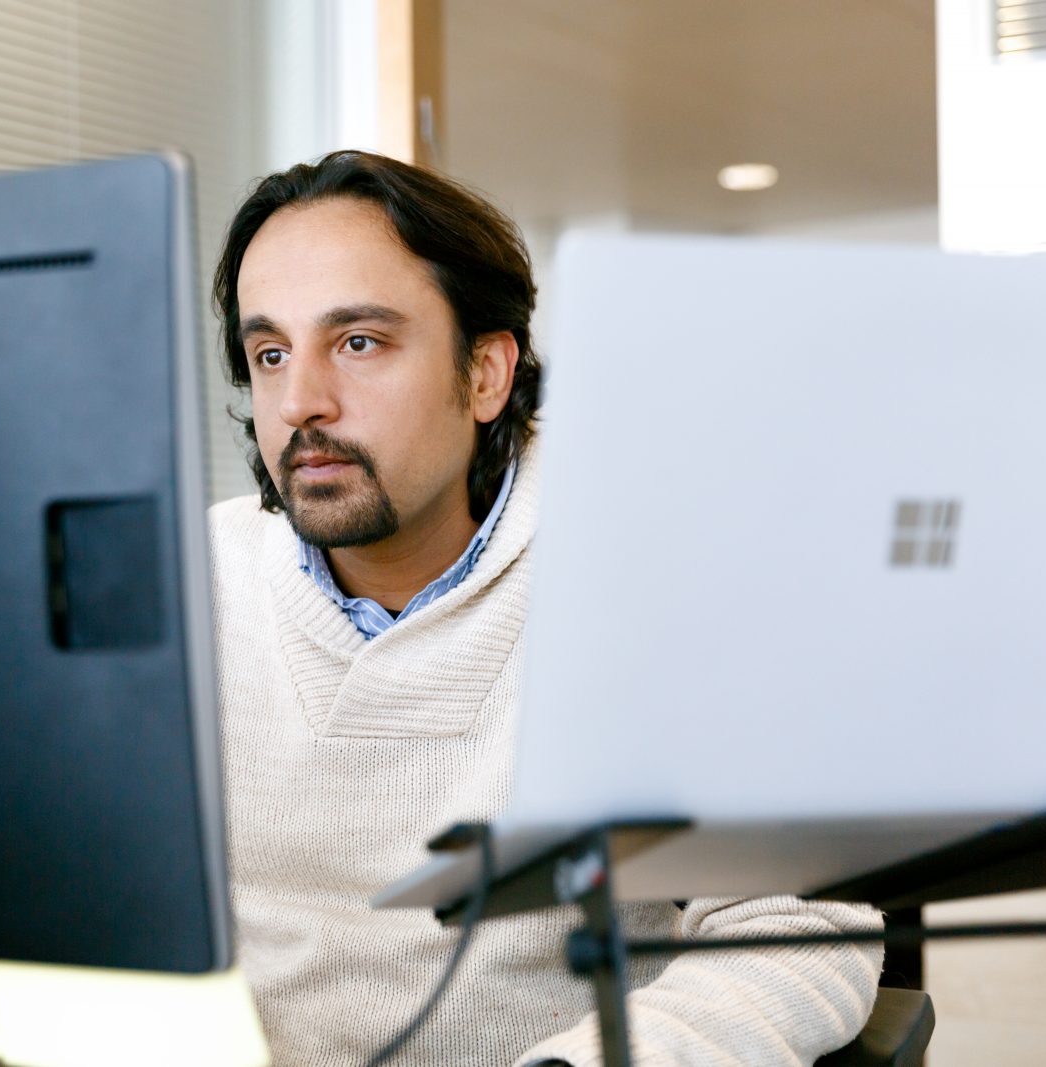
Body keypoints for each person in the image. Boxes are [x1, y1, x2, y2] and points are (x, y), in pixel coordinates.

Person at [207, 150, 883, 1066]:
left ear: (486, 373)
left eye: (359, 342)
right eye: (271, 352)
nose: (301, 402)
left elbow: (797, 925)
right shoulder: (191, 580)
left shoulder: (648, 573)